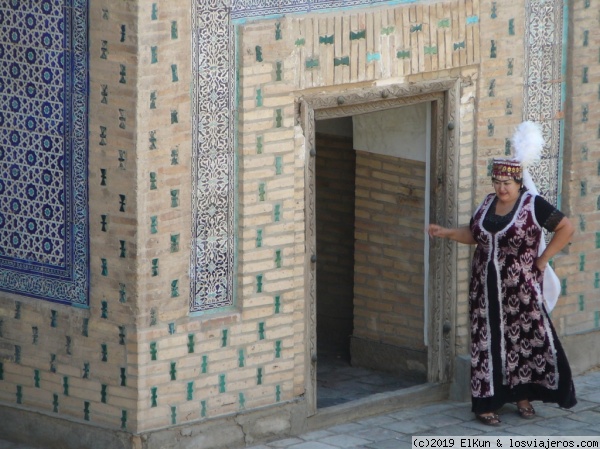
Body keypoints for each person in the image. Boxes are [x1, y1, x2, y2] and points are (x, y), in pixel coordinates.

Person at [427, 157, 577, 426]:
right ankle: (486, 403)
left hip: (521, 290)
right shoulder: (487, 204)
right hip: (484, 289)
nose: (501, 189)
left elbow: (566, 227)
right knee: (487, 343)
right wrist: (446, 233)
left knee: (525, 340)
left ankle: (523, 396)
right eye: (497, 182)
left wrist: (542, 261)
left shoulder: (533, 204)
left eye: (506, 183)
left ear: (518, 182)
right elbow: (475, 235)